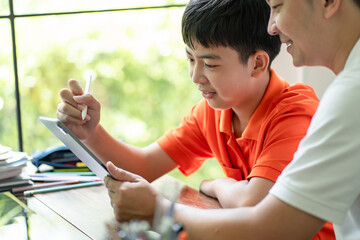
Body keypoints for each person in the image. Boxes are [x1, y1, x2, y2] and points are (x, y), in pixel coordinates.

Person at [57, 0, 335, 239]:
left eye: (211, 64)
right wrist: (91, 132)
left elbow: (253, 203)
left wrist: (215, 185)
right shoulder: (213, 110)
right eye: (191, 59)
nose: (195, 76)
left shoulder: (295, 113)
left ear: (258, 63)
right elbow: (143, 166)